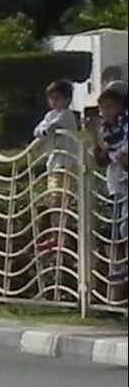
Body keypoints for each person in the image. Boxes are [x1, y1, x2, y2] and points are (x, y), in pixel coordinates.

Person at [90, 81, 128, 307]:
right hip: (116, 186)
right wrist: (94, 134)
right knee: (113, 231)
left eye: (110, 107)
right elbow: (102, 159)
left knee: (125, 227)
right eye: (103, 108)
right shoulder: (107, 130)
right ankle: (114, 300)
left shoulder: (126, 126)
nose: (106, 112)